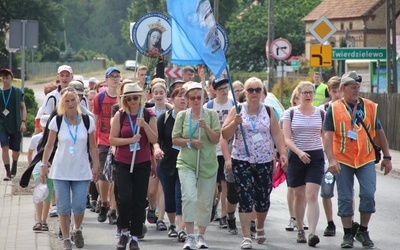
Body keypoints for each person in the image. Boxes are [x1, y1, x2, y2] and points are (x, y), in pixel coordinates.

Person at [323, 71, 392, 249]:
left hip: (365, 158)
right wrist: (331, 160)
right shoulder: (335, 108)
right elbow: (328, 137)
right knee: (345, 198)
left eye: (358, 87)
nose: (356, 90)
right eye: (353, 87)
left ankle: (362, 230)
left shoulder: (369, 106)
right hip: (342, 159)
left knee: (368, 194)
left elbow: (379, 132)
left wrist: (387, 157)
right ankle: (347, 234)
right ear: (343, 89)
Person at [222, 77, 288, 249]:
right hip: (242, 160)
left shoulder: (268, 110)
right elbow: (225, 135)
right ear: (245, 92)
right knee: (245, 197)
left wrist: (282, 153)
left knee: (263, 198)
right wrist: (234, 123)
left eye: (257, 90)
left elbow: (277, 134)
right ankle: (246, 236)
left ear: (262, 92)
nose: (254, 93)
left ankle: (259, 227)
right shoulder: (237, 110)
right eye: (250, 90)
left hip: (264, 161)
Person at [40, 87, 100, 250]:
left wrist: (96, 164)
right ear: (62, 103)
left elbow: (93, 147)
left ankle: (77, 229)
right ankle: (66, 239)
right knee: (63, 207)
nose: (70, 103)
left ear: (78, 101)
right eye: (67, 101)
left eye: (73, 100)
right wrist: (44, 164)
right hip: (60, 171)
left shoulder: (88, 120)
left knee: (79, 205)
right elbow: (49, 145)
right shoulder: (57, 121)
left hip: (81, 170)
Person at [171, 82, 220, 249]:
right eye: (193, 97)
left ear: (205, 97)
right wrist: (190, 142)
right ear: (187, 99)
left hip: (208, 163)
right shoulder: (182, 116)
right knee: (190, 197)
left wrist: (206, 127)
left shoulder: (211, 114)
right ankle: (190, 235)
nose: (196, 100)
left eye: (200, 97)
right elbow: (175, 139)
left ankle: (201, 235)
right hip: (186, 162)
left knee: (205, 201)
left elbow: (216, 139)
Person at [109, 83, 158, 250]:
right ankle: (123, 232)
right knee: (124, 198)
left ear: (140, 97)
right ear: (124, 100)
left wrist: (144, 125)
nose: (132, 101)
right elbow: (112, 139)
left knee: (138, 200)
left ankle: (135, 236)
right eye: (128, 98)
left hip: (142, 162)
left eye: (135, 98)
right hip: (122, 162)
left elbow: (154, 139)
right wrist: (131, 140)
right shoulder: (120, 115)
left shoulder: (148, 114)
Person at [282, 81, 325, 247]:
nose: (308, 95)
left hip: (315, 156)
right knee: (299, 195)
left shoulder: (321, 113)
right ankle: (300, 229)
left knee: (312, 195)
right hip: (296, 156)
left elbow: (325, 137)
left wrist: (330, 157)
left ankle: (312, 233)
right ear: (298, 94)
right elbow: (286, 138)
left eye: (311, 92)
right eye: (305, 92)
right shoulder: (290, 113)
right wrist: (299, 153)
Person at [154, 87, 188, 241]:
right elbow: (156, 139)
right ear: (172, 99)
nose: (183, 99)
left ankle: (181, 229)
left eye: (185, 97)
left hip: (186, 163)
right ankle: (172, 224)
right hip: (166, 163)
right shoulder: (164, 118)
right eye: (179, 96)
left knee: (180, 195)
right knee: (169, 196)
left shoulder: (192, 118)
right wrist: (156, 149)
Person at [204, 78, 234, 228]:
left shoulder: (234, 105)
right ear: (214, 90)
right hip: (211, 150)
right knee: (214, 186)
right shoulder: (209, 106)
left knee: (225, 183)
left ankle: (223, 216)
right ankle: (213, 205)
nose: (224, 90)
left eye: (226, 88)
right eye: (221, 88)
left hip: (228, 150)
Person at [317, 76, 342, 237]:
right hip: (327, 158)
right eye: (334, 91)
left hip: (344, 157)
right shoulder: (323, 109)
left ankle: (350, 221)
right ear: (330, 91)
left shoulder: (349, 108)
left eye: (340, 90)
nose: (338, 94)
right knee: (326, 191)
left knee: (346, 192)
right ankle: (330, 222)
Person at [0, 68, 27, 180]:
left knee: (15, 150)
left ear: (11, 78)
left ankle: (14, 163)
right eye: (3, 78)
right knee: (4, 147)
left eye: (7, 78)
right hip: (2, 125)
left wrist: (23, 122)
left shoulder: (17, 91)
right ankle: (7, 172)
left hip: (15, 124)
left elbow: (23, 107)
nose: (5, 80)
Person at [29, 114, 53, 232]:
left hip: (51, 171)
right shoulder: (35, 138)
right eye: (43, 126)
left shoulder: (54, 138)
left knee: (47, 196)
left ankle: (44, 220)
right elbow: (30, 152)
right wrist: (31, 167)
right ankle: (38, 221)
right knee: (39, 194)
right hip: (38, 169)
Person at [35, 65, 73, 134]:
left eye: (67, 76)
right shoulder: (51, 96)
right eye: (62, 75)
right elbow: (47, 116)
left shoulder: (78, 95)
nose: (64, 78)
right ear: (58, 77)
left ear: (72, 77)